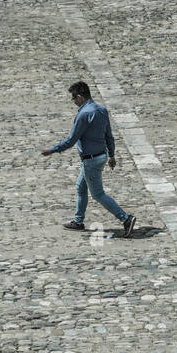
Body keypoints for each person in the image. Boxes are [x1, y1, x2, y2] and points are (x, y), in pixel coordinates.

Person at [41, 81, 136, 237]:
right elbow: (109, 136)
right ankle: (78, 221)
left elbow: (71, 140)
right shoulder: (101, 110)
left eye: (73, 99)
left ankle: (125, 218)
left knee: (98, 194)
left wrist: (52, 150)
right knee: (80, 186)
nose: (73, 102)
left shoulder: (84, 114)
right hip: (101, 156)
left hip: (90, 160)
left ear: (79, 96)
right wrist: (112, 155)